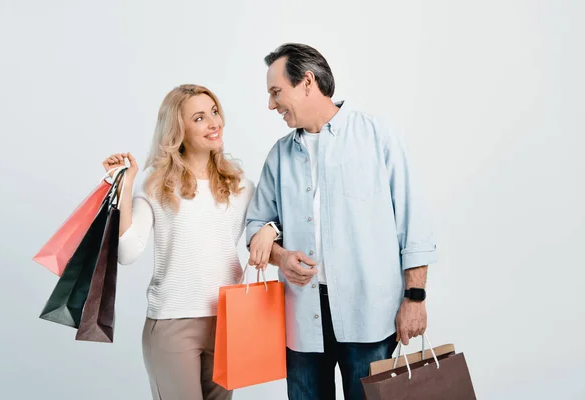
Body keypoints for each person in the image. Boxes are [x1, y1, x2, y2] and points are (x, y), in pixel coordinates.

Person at [246, 43, 438, 399]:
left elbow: (413, 224)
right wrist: (281, 257)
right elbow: (256, 225)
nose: (271, 105)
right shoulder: (279, 155)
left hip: (370, 314)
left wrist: (415, 297)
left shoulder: (377, 136)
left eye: (276, 92)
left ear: (307, 82)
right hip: (302, 318)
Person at [102, 84, 278, 400]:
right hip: (172, 324)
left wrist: (271, 229)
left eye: (214, 112)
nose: (214, 123)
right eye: (199, 118)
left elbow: (271, 226)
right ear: (178, 130)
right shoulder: (157, 186)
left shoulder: (240, 186)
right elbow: (127, 252)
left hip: (229, 322)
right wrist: (126, 186)